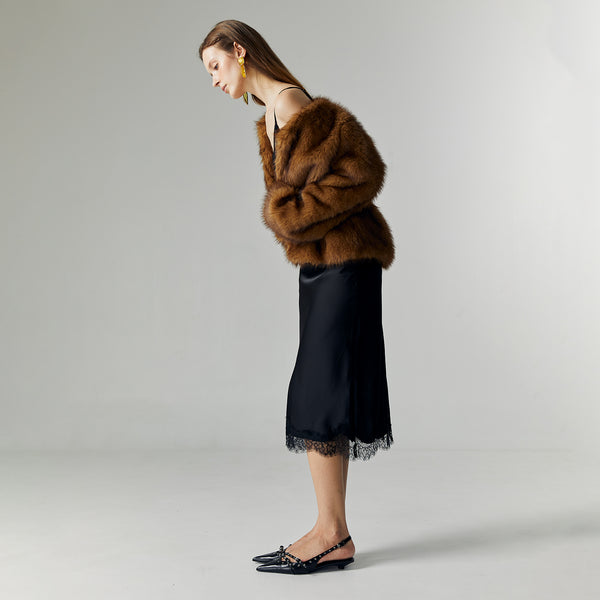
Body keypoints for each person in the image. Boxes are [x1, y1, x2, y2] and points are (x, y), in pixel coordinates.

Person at [199, 19, 395, 575]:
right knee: (325, 391)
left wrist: (292, 216)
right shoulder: (273, 114)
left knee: (321, 390)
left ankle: (331, 533)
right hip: (326, 267)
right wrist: (298, 225)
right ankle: (332, 529)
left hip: (344, 265)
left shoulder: (291, 103)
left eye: (215, 65)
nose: (214, 80)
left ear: (240, 52)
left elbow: (363, 171)